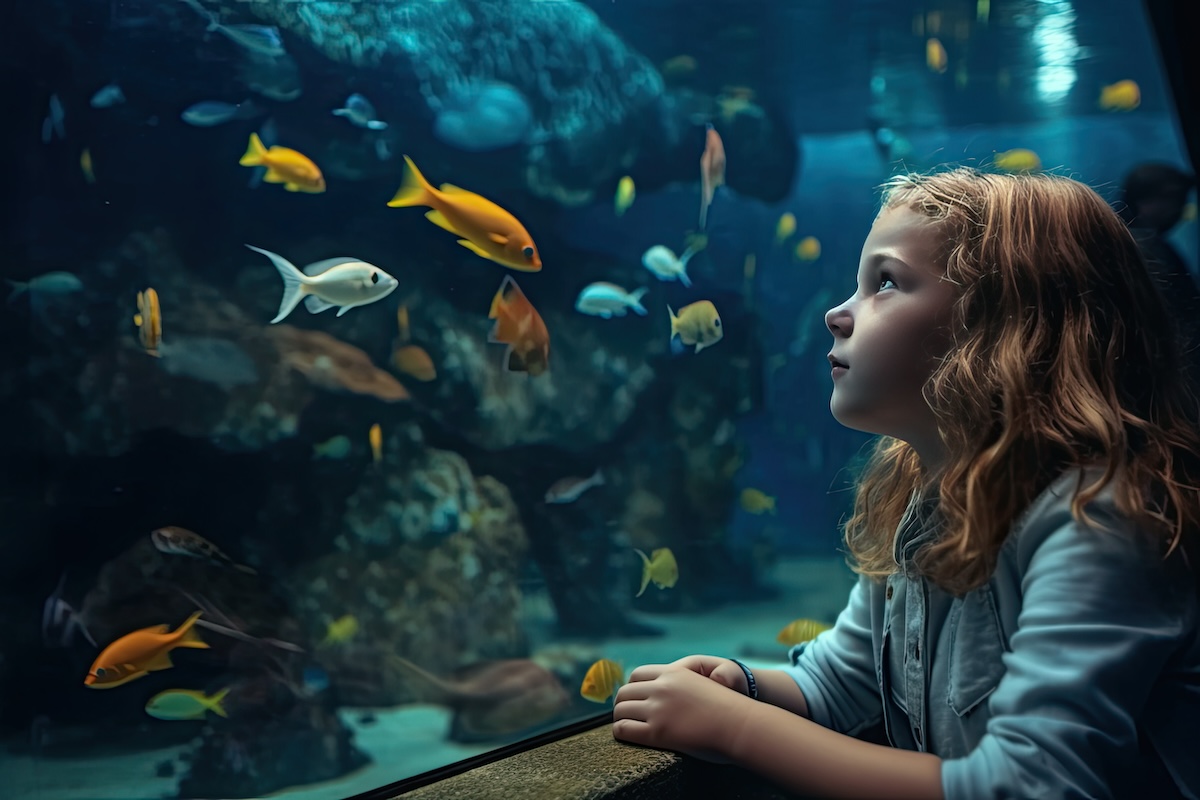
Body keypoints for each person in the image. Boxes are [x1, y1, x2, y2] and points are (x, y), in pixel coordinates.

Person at [611, 167, 1200, 799]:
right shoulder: (925, 494)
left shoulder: (1099, 517)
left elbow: (1030, 785)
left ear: (1002, 326)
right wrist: (742, 685)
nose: (838, 313)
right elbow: (841, 685)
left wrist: (735, 728)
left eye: (884, 283)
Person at [1117, 162, 1200, 376]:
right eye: (1176, 199)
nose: (1181, 207)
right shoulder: (1144, 247)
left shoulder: (1119, 240)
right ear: (1146, 202)